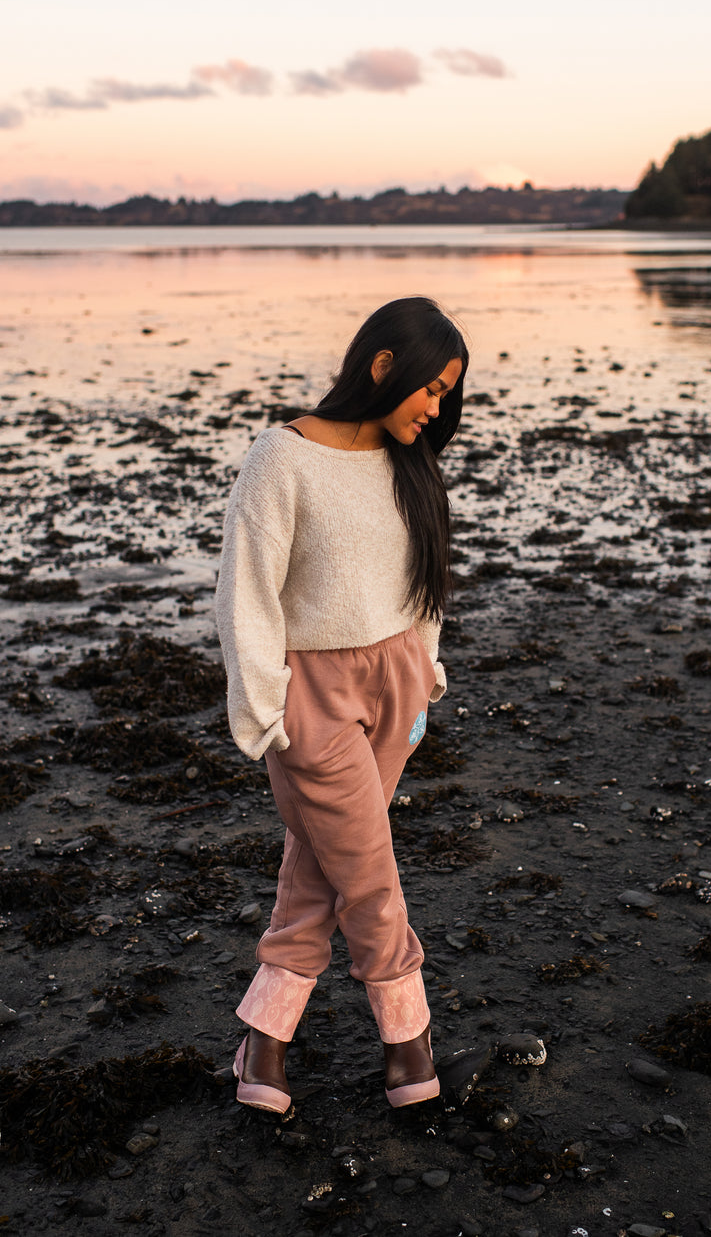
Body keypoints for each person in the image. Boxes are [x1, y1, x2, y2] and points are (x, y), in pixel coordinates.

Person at [215, 296, 469, 1113]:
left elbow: (424, 582)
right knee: (369, 875)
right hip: (313, 696)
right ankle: (408, 1041)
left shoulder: (410, 460)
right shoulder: (280, 457)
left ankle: (263, 1047)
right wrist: (262, 713)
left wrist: (426, 673)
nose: (437, 410)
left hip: (397, 685)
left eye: (448, 397)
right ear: (383, 364)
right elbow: (245, 592)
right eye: (432, 389)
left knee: (324, 872)